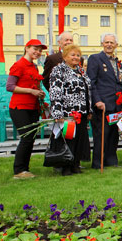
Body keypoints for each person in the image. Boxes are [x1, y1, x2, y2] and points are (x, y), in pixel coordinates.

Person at [49, 44, 92, 175]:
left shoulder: (80, 71)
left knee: (79, 139)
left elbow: (87, 90)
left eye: (78, 55)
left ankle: (75, 164)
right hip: (67, 112)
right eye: (72, 55)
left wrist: (89, 109)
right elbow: (55, 91)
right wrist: (57, 112)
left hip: (81, 112)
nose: (76, 57)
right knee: (68, 140)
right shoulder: (58, 70)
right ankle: (65, 166)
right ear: (65, 56)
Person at [7, 39, 47, 179]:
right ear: (27, 48)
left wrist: (38, 93)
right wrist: (31, 91)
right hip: (20, 107)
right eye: (35, 49)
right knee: (26, 137)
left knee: (30, 138)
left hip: (33, 107)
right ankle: (19, 170)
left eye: (40, 50)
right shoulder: (19, 65)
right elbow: (10, 86)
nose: (37, 52)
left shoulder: (34, 67)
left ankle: (25, 168)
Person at [87, 33, 122, 169]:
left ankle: (111, 160)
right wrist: (97, 100)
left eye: (112, 42)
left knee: (113, 135)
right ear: (102, 44)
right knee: (102, 135)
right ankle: (98, 163)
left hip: (116, 105)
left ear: (116, 45)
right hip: (103, 105)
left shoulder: (117, 62)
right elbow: (91, 82)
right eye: (106, 42)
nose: (109, 45)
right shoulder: (95, 59)